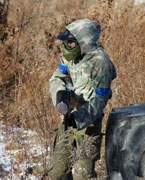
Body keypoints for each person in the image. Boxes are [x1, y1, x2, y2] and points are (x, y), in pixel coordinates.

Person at [49, 19, 116, 180]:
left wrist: (79, 119)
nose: (66, 46)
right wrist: (59, 96)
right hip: (66, 119)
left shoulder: (101, 62)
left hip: (88, 124)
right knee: (57, 173)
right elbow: (57, 77)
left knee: (82, 174)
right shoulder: (70, 56)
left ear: (84, 41)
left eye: (70, 42)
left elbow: (100, 99)